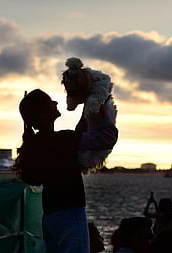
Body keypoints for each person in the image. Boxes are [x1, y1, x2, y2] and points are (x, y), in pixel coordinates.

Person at [16, 89, 117, 253]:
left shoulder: (37, 143)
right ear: (43, 114)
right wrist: (105, 114)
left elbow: (77, 136)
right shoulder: (63, 139)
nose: (55, 103)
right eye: (50, 102)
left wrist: (87, 109)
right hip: (70, 213)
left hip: (50, 216)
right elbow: (107, 139)